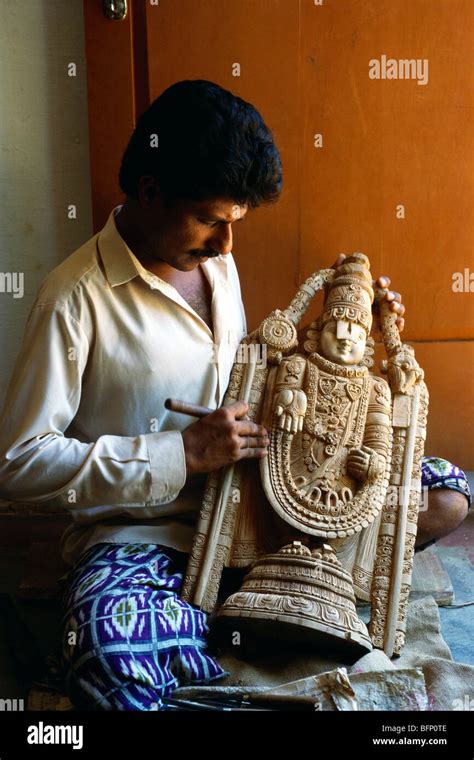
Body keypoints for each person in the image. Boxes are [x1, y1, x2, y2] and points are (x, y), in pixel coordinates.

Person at [0, 80, 469, 710]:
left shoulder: (216, 265)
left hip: (260, 499)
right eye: (212, 221)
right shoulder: (75, 298)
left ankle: (244, 602)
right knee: (109, 653)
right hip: (150, 532)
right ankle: (245, 611)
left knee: (446, 493)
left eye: (235, 225)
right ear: (150, 192)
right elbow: (18, 463)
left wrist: (364, 327)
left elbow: (260, 375)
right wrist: (180, 454)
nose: (227, 246)